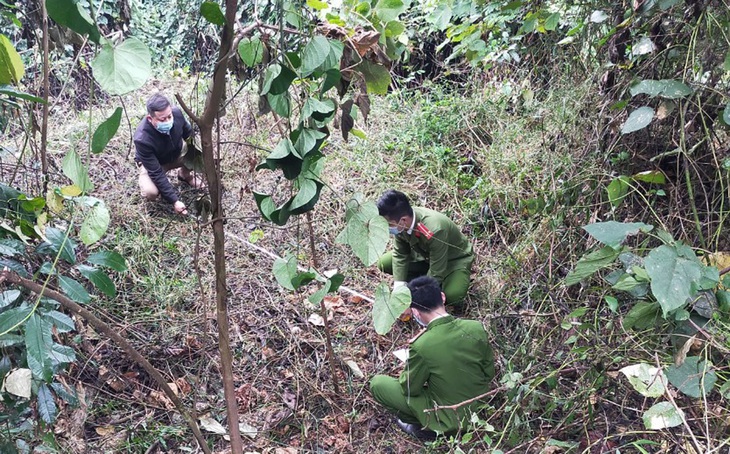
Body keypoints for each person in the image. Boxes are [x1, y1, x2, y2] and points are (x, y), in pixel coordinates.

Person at [369, 276, 495, 438]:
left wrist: (411, 363)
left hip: (448, 421)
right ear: (442, 296)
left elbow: (409, 389)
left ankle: (425, 428)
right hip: (479, 413)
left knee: (378, 384)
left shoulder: (422, 346)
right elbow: (488, 373)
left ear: (415, 312)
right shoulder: (476, 328)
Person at [377, 190, 474, 306]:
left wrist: (416, 298)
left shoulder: (434, 229)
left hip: (452, 261)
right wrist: (399, 287)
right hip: (424, 256)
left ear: (403, 220)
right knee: (384, 263)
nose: (387, 228)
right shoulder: (402, 224)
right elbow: (400, 254)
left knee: (453, 295)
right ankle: (425, 281)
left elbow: (437, 269)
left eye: (389, 224)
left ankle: (440, 283)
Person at [134, 93, 204, 215]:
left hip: (176, 153)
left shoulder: (177, 113)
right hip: (156, 164)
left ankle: (184, 175)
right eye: (162, 119)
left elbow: (189, 135)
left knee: (196, 150)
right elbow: (156, 172)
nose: (168, 121)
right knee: (151, 192)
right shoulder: (142, 139)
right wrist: (174, 200)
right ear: (150, 119)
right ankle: (158, 190)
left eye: (169, 116)